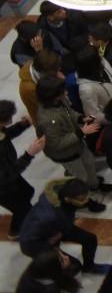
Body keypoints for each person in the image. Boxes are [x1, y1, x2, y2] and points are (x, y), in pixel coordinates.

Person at [34, 75, 108, 201]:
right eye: (63, 91)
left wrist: (81, 118)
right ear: (53, 96)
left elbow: (70, 112)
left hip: (77, 144)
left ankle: (94, 185)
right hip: (66, 154)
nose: (66, 93)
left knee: (89, 162)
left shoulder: (59, 102)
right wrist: (81, 132)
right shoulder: (47, 120)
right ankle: (84, 199)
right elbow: (57, 144)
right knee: (80, 177)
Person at [18, 178, 109, 274]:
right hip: (34, 243)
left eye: (87, 196)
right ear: (68, 199)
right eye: (82, 199)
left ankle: (89, 267)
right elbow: (51, 234)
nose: (86, 200)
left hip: (57, 228)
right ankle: (51, 273)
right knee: (74, 267)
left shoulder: (61, 193)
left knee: (90, 239)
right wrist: (56, 251)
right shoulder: (53, 215)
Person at [0, 100, 45, 238]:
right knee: (22, 207)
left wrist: (22, 125)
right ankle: (16, 231)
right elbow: (7, 174)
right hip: (3, 185)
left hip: (8, 174)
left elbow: (6, 134)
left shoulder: (1, 129)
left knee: (27, 191)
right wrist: (28, 155)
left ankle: (24, 216)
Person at [15, 249, 81, 293]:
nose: (66, 257)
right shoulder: (50, 289)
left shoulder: (31, 273)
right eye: (62, 260)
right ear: (53, 269)